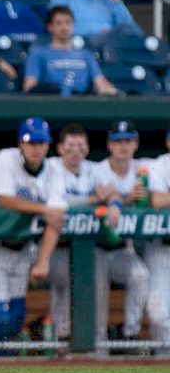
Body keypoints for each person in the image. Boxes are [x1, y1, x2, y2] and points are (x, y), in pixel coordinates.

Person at [0, 117, 66, 344]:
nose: (35, 148)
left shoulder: (55, 170)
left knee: (16, 317)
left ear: (48, 145)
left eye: (40, 142)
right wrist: (43, 208)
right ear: (21, 143)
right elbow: (5, 199)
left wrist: (43, 261)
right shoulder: (6, 158)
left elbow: (55, 219)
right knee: (0, 317)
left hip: (23, 247)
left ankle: (5, 369)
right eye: (30, 142)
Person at [45, 124, 111, 341]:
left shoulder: (93, 169)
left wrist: (115, 203)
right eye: (70, 146)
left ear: (88, 149)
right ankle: (58, 337)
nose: (76, 151)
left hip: (81, 246)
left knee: (86, 278)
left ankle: (76, 340)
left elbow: (112, 194)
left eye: (80, 146)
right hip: (51, 245)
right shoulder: (51, 167)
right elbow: (58, 203)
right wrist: (93, 199)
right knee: (73, 280)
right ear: (60, 148)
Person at [88, 121, 151, 348]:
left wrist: (149, 195)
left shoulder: (143, 168)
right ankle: (98, 349)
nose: (123, 146)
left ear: (135, 144)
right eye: (118, 141)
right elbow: (110, 196)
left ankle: (129, 335)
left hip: (122, 249)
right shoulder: (97, 170)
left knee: (140, 275)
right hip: (95, 248)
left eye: (128, 140)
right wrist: (126, 199)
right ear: (109, 145)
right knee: (98, 300)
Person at [23, 5, 118, 95]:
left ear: (73, 25)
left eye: (68, 22)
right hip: (51, 104)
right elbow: (29, 86)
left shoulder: (86, 55)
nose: (64, 27)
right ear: (50, 27)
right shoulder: (38, 53)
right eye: (59, 23)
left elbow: (101, 83)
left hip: (81, 104)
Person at [145, 127, 170, 353]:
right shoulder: (160, 164)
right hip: (162, 248)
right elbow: (157, 200)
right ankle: (162, 360)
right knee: (158, 312)